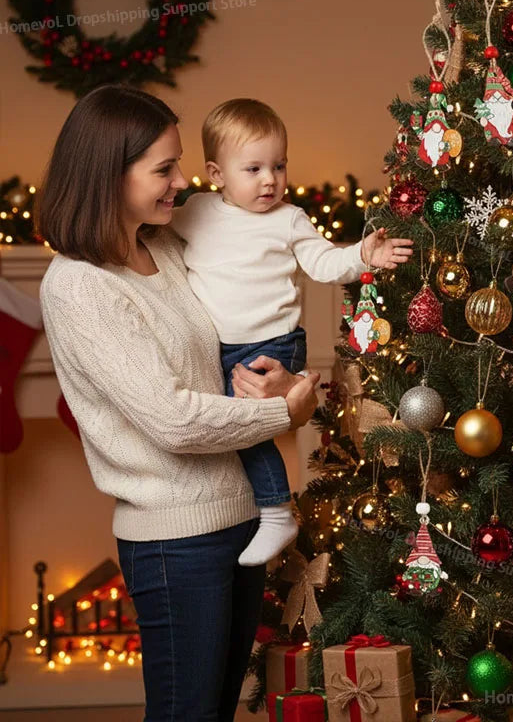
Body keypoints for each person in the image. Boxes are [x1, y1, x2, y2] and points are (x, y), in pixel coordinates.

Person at [36, 84, 320, 722]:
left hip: (240, 516)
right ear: (110, 175)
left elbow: (234, 337)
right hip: (174, 540)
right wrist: (284, 413)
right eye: (163, 169)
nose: (183, 181)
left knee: (218, 709)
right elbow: (171, 418)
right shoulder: (77, 286)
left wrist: (276, 378)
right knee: (186, 712)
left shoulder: (163, 246)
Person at [169, 98, 413, 566]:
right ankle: (253, 507)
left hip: (272, 343)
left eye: (279, 166)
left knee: (244, 428)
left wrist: (362, 254)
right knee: (221, 425)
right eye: (254, 168)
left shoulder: (288, 218)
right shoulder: (194, 212)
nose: (270, 180)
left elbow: (322, 262)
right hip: (220, 346)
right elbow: (149, 231)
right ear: (217, 174)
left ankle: (277, 510)